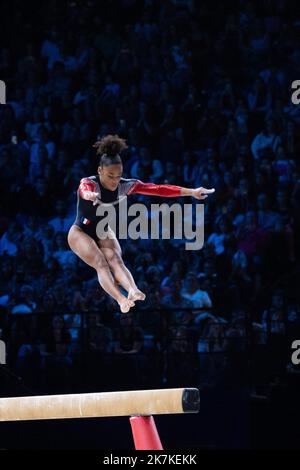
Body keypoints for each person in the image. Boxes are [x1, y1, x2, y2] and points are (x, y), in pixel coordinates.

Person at [67, 134, 215, 313]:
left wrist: (192, 192)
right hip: (80, 232)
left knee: (116, 259)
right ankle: (121, 300)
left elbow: (159, 189)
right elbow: (84, 189)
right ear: (100, 171)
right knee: (101, 262)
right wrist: (89, 195)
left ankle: (132, 290)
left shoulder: (125, 185)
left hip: (102, 230)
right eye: (110, 176)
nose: (115, 181)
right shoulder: (89, 183)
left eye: (119, 175)